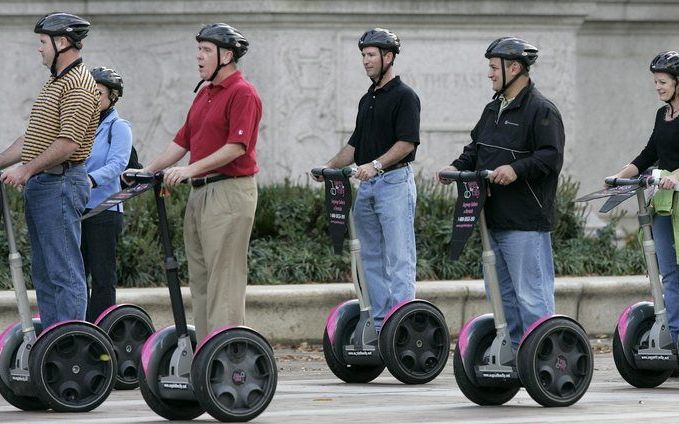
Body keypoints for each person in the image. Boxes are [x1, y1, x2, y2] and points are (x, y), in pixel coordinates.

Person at [132, 23, 261, 341]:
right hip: (201, 194)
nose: (199, 57)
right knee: (201, 281)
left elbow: (236, 147)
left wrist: (189, 171)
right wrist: (146, 170)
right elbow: (182, 143)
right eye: (198, 50)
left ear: (227, 55)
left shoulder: (243, 93)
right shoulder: (205, 94)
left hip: (229, 192)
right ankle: (207, 353)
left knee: (224, 281)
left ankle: (227, 357)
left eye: (206, 50)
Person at [438, 37, 565, 347]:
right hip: (492, 218)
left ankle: (545, 359)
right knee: (502, 295)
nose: (490, 74)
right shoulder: (493, 108)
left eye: (494, 68)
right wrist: (455, 167)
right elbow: (475, 149)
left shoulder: (541, 110)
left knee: (532, 297)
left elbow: (551, 157)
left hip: (525, 220)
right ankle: (514, 357)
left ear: (515, 68)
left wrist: (516, 169)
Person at [312, 28, 420, 331]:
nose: (365, 60)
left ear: (388, 57)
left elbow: (407, 142)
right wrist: (328, 167)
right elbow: (354, 145)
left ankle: (402, 325)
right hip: (368, 186)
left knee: (399, 257)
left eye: (370, 55)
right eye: (363, 55)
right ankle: (380, 322)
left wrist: (375, 165)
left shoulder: (405, 96)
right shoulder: (368, 98)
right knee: (368, 257)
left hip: (394, 183)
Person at [0, 12, 98, 328]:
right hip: (45, 185)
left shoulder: (80, 84)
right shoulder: (56, 82)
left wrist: (26, 170)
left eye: (43, 42)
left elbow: (68, 143)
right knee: (44, 272)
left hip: (61, 182)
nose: (39, 49)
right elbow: (32, 137)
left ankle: (70, 343)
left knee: (64, 270)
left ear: (62, 42)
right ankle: (53, 343)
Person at [607, 50, 679, 345]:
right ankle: (675, 338)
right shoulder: (662, 115)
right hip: (663, 204)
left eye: (662, 81)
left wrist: (677, 176)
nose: (658, 87)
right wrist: (619, 176)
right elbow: (649, 154)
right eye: (655, 82)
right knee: (669, 273)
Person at [81, 67, 132, 322]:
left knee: (102, 278)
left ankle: (99, 333)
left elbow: (117, 165)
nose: (92, 97)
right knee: (77, 275)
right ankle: (76, 329)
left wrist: (91, 179)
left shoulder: (119, 127)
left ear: (112, 96)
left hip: (105, 211)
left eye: (98, 93)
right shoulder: (81, 125)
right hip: (77, 209)